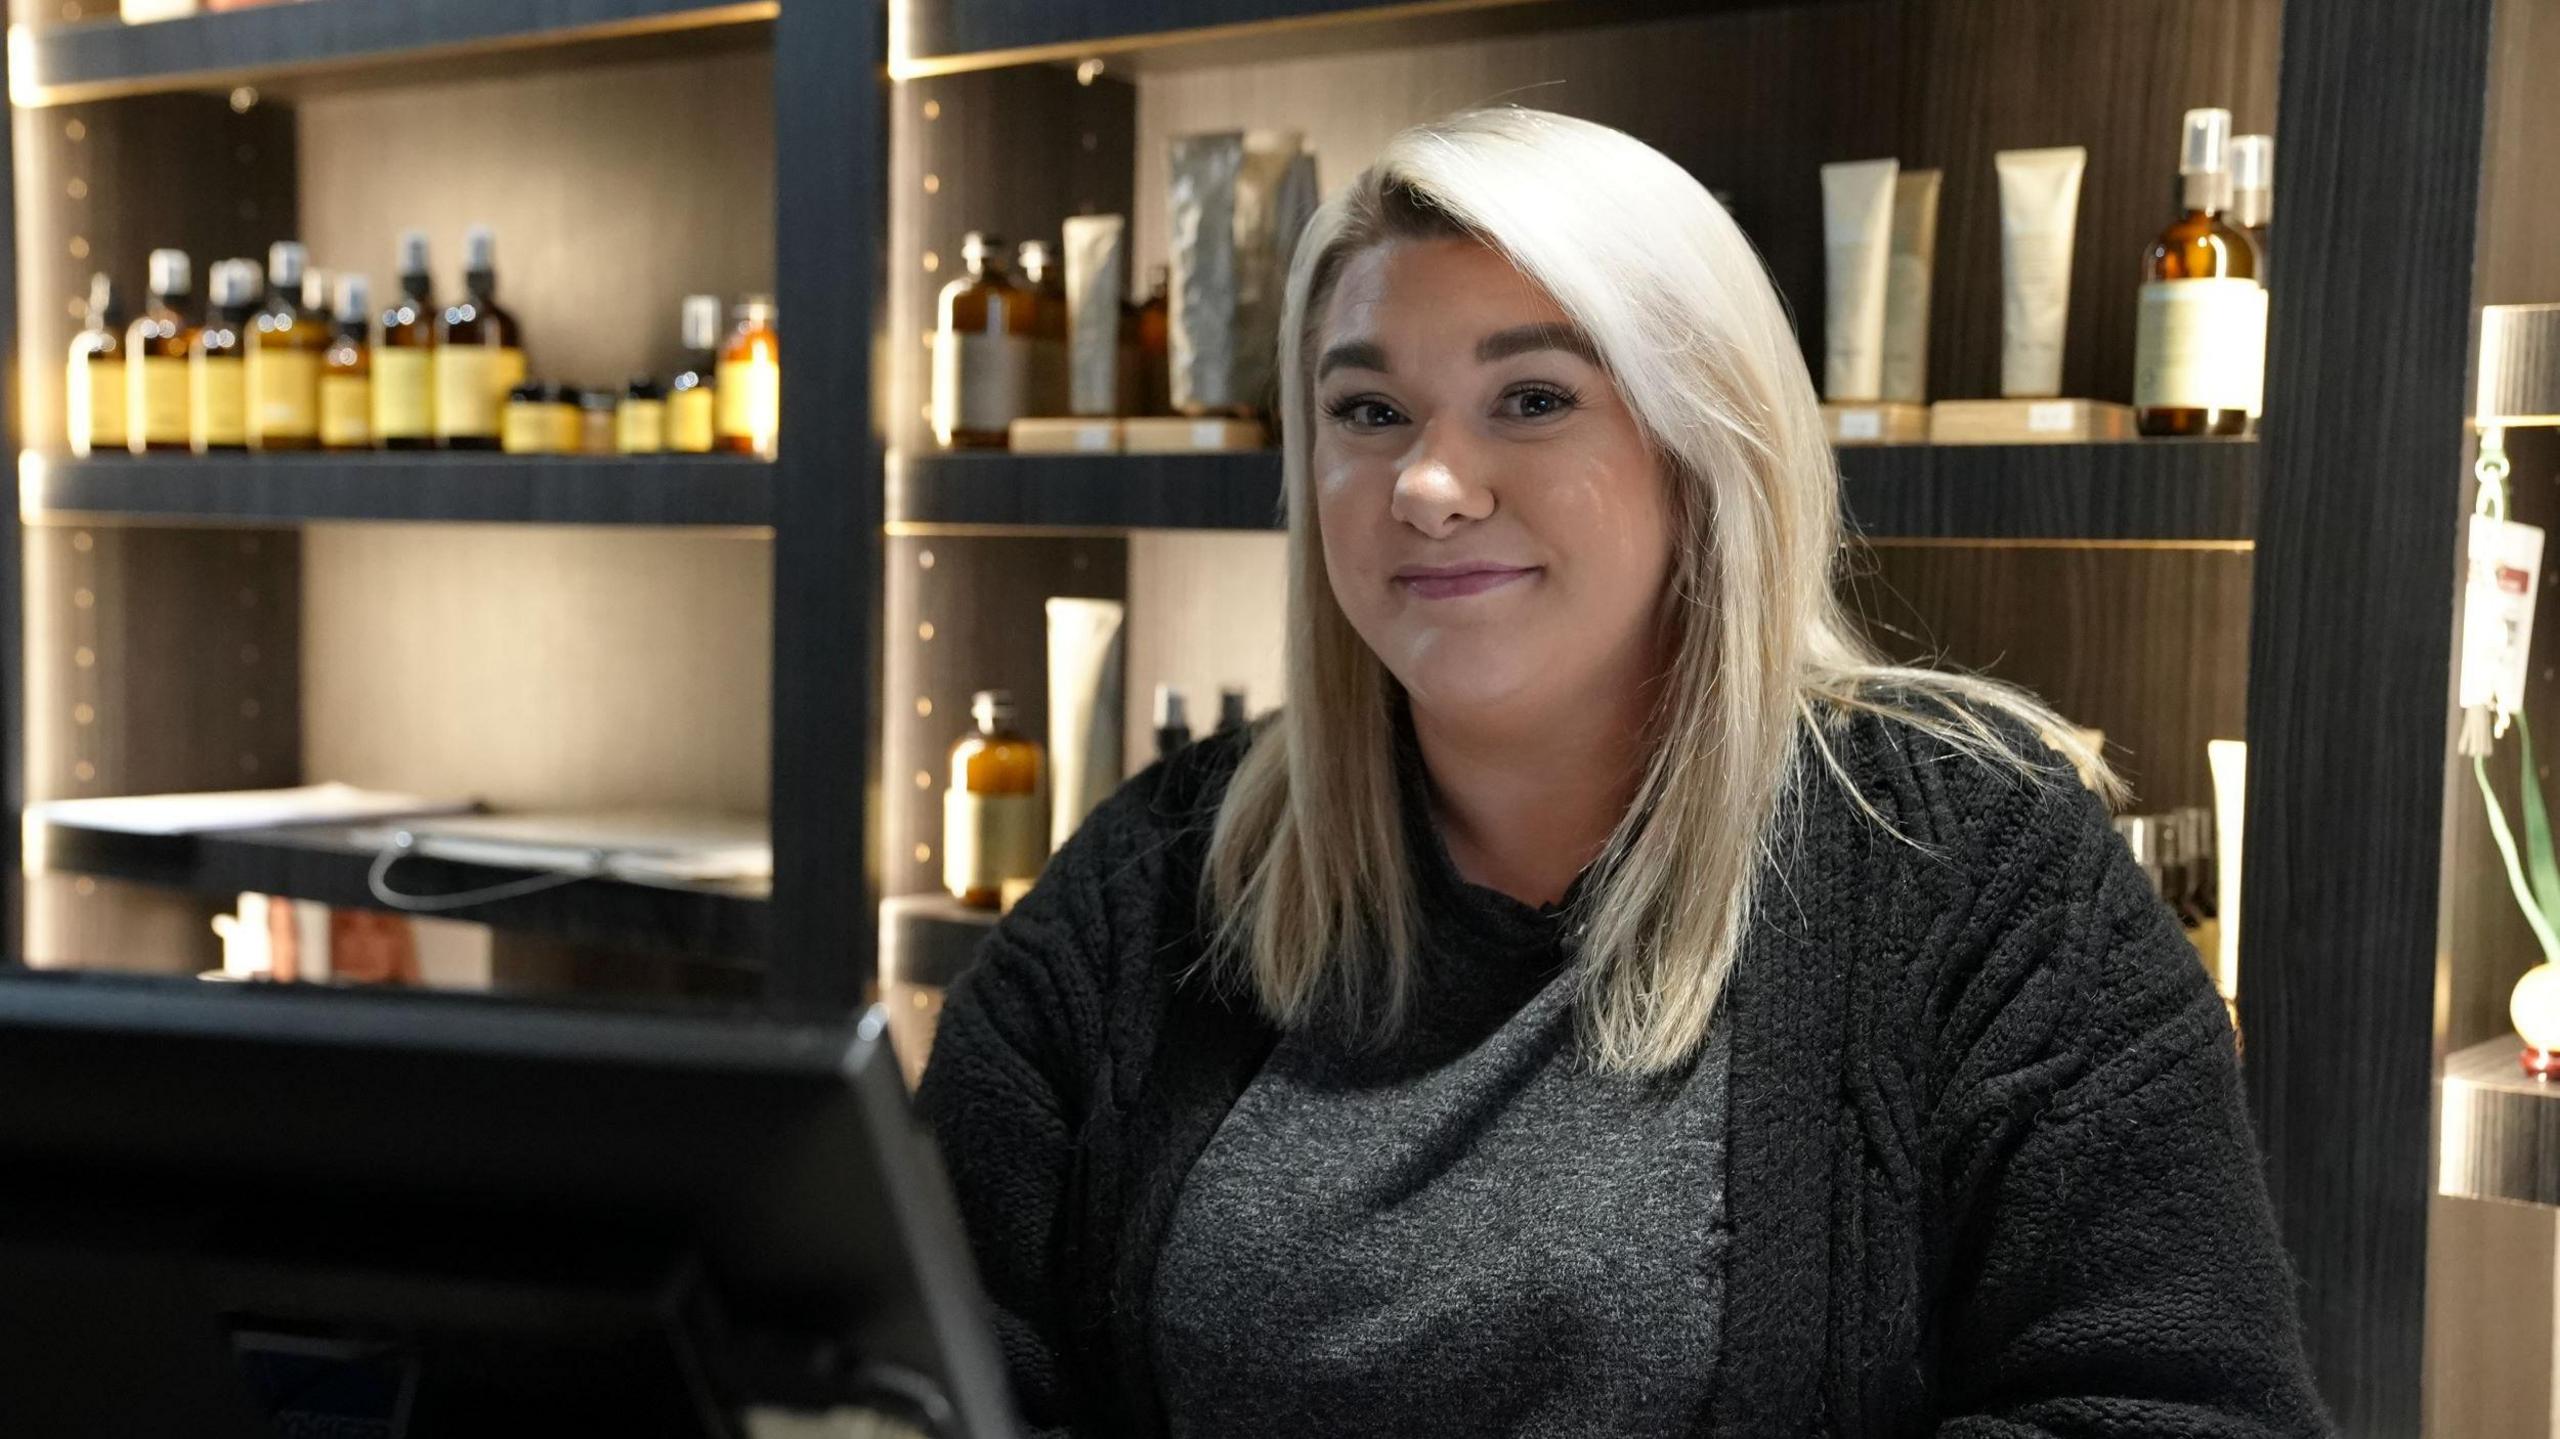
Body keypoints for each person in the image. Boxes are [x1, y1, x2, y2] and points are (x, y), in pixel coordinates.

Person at [918, 108, 2329, 1438]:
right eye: (1368, 412)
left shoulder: (1975, 868)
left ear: (1700, 447)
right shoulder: (1166, 869)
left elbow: (2184, 1408)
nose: (1429, 483)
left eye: (1530, 398)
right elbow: (920, 1365)